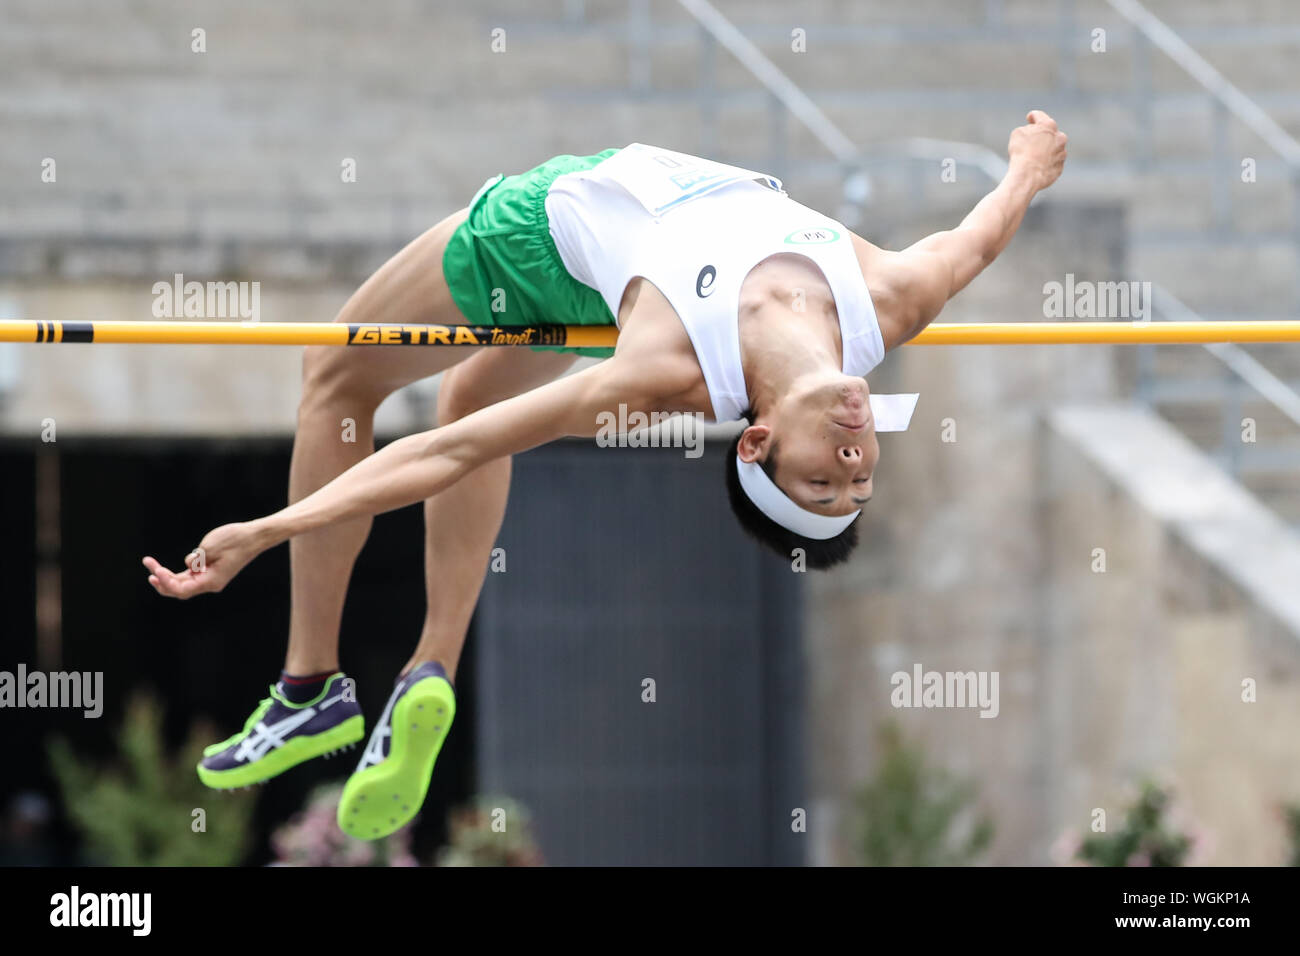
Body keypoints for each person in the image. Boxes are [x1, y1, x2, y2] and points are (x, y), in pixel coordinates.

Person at [143, 112, 1068, 840]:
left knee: (337, 371)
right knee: (467, 403)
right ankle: (431, 666)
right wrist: (1027, 166)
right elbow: (980, 237)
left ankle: (310, 685)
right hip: (608, 280)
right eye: (857, 484)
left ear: (756, 443)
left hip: (544, 232)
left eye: (822, 484)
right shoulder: (892, 303)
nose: (855, 466)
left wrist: (269, 528)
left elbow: (438, 458)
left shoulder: (663, 370)